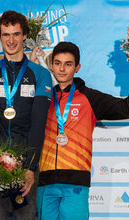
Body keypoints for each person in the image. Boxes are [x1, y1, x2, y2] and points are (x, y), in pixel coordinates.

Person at [36, 41, 129, 220]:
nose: (62, 69)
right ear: (51, 65)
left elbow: (126, 108)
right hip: (45, 183)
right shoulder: (43, 97)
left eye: (68, 64)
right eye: (57, 63)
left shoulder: (90, 98)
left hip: (75, 184)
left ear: (77, 67)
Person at [0, 10, 52, 220]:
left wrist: (29, 168)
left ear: (25, 35)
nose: (11, 40)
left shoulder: (40, 74)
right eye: (6, 35)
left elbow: (38, 124)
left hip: (26, 165)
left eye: (16, 34)